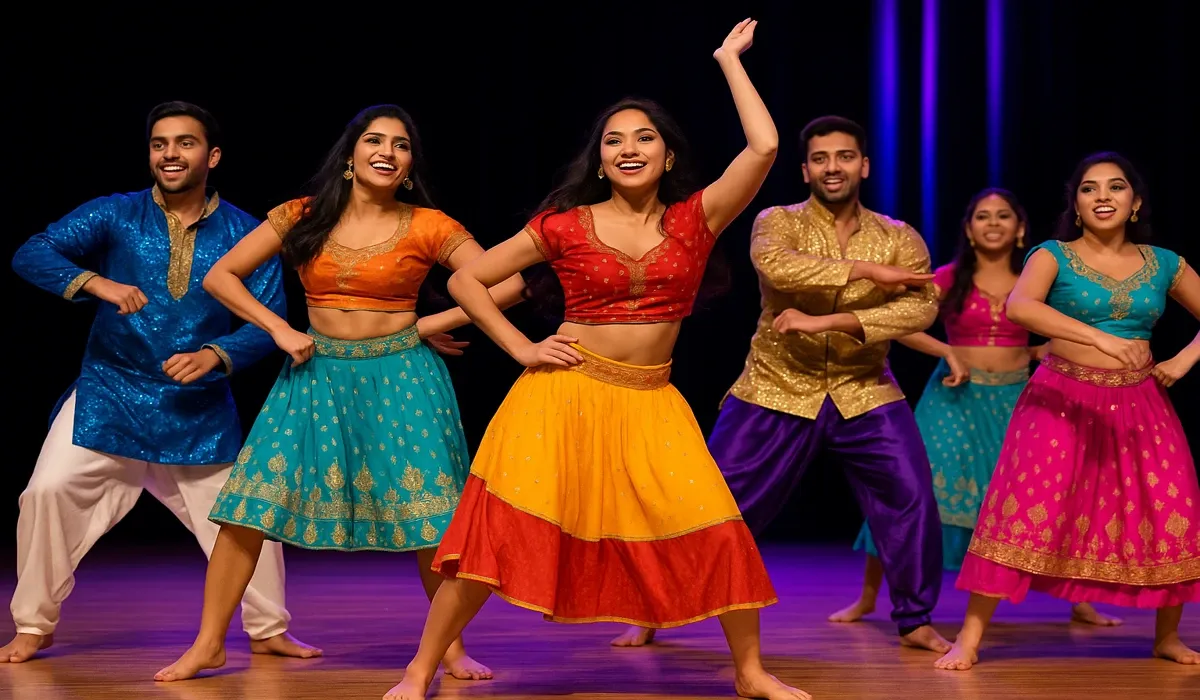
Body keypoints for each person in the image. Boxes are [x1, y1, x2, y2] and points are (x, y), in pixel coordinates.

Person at [386, 19, 809, 700]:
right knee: (497, 539)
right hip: (562, 395)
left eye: (645, 137)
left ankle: (752, 673)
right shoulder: (563, 223)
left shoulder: (696, 218)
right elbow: (467, 280)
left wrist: (729, 61)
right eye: (614, 140)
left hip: (651, 401)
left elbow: (763, 147)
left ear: (668, 157)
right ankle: (418, 669)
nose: (628, 148)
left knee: (717, 527)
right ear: (601, 159)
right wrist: (521, 347)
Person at [154, 104, 525, 682]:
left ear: (408, 166)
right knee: (247, 511)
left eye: (400, 146)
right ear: (350, 157)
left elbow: (509, 282)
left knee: (433, 520)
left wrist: (425, 326)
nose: (387, 151)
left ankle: (447, 648)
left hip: (402, 377)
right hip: (315, 375)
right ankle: (209, 643)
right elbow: (220, 275)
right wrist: (278, 328)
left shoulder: (430, 224)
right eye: (374, 141)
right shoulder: (302, 215)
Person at [614, 114, 951, 653]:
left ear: (863, 165)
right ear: (805, 170)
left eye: (843, 156)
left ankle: (915, 619)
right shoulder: (778, 221)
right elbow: (779, 268)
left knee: (911, 494)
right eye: (820, 158)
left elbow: (921, 307)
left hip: (865, 388)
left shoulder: (899, 237)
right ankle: (655, 607)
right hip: (776, 385)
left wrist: (833, 322)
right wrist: (865, 271)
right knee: (712, 502)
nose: (832, 167)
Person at [4, 101, 314, 663]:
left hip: (197, 406)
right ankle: (34, 623)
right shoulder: (116, 213)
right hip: (110, 392)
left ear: (212, 156)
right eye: (159, 144)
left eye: (185, 143)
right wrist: (94, 282)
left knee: (245, 515)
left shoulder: (246, 232)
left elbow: (269, 319)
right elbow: (33, 252)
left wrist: (216, 355)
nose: (170, 153)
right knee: (47, 492)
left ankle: (267, 628)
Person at [935, 152, 1200, 670]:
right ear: (1076, 206)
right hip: (1060, 399)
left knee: (1171, 509)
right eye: (1089, 188)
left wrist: (1186, 359)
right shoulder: (1051, 254)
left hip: (1140, 402)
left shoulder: (1166, 262)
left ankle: (1167, 636)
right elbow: (1021, 306)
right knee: (1019, 511)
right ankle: (968, 639)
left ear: (1135, 201)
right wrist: (1099, 338)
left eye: (1116, 187)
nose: (1103, 196)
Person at [833, 188, 1121, 628]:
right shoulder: (948, 278)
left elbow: (1076, 326)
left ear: (1020, 228)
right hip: (951, 399)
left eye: (1003, 216)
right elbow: (897, 323)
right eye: (982, 216)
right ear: (969, 230)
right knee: (908, 492)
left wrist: (1044, 351)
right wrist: (945, 351)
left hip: (1019, 401)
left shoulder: (1039, 279)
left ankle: (1078, 600)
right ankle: (870, 596)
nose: (992, 223)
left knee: (1039, 500)